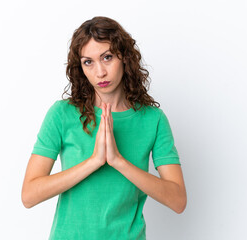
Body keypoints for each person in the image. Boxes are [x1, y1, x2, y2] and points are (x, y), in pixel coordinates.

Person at [21, 16, 187, 240]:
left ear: (125, 58)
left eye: (107, 57)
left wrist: (118, 161)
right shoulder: (62, 114)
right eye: (88, 62)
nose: (100, 72)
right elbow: (29, 195)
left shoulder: (152, 119)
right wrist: (94, 162)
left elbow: (177, 200)